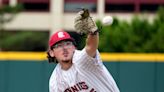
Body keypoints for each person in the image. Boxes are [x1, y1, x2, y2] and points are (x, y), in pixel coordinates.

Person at [47, 9, 120, 92]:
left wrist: (92, 32)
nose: (64, 48)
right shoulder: (55, 81)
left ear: (74, 47)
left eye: (68, 44)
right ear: (52, 53)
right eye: (59, 45)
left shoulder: (81, 59)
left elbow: (91, 46)